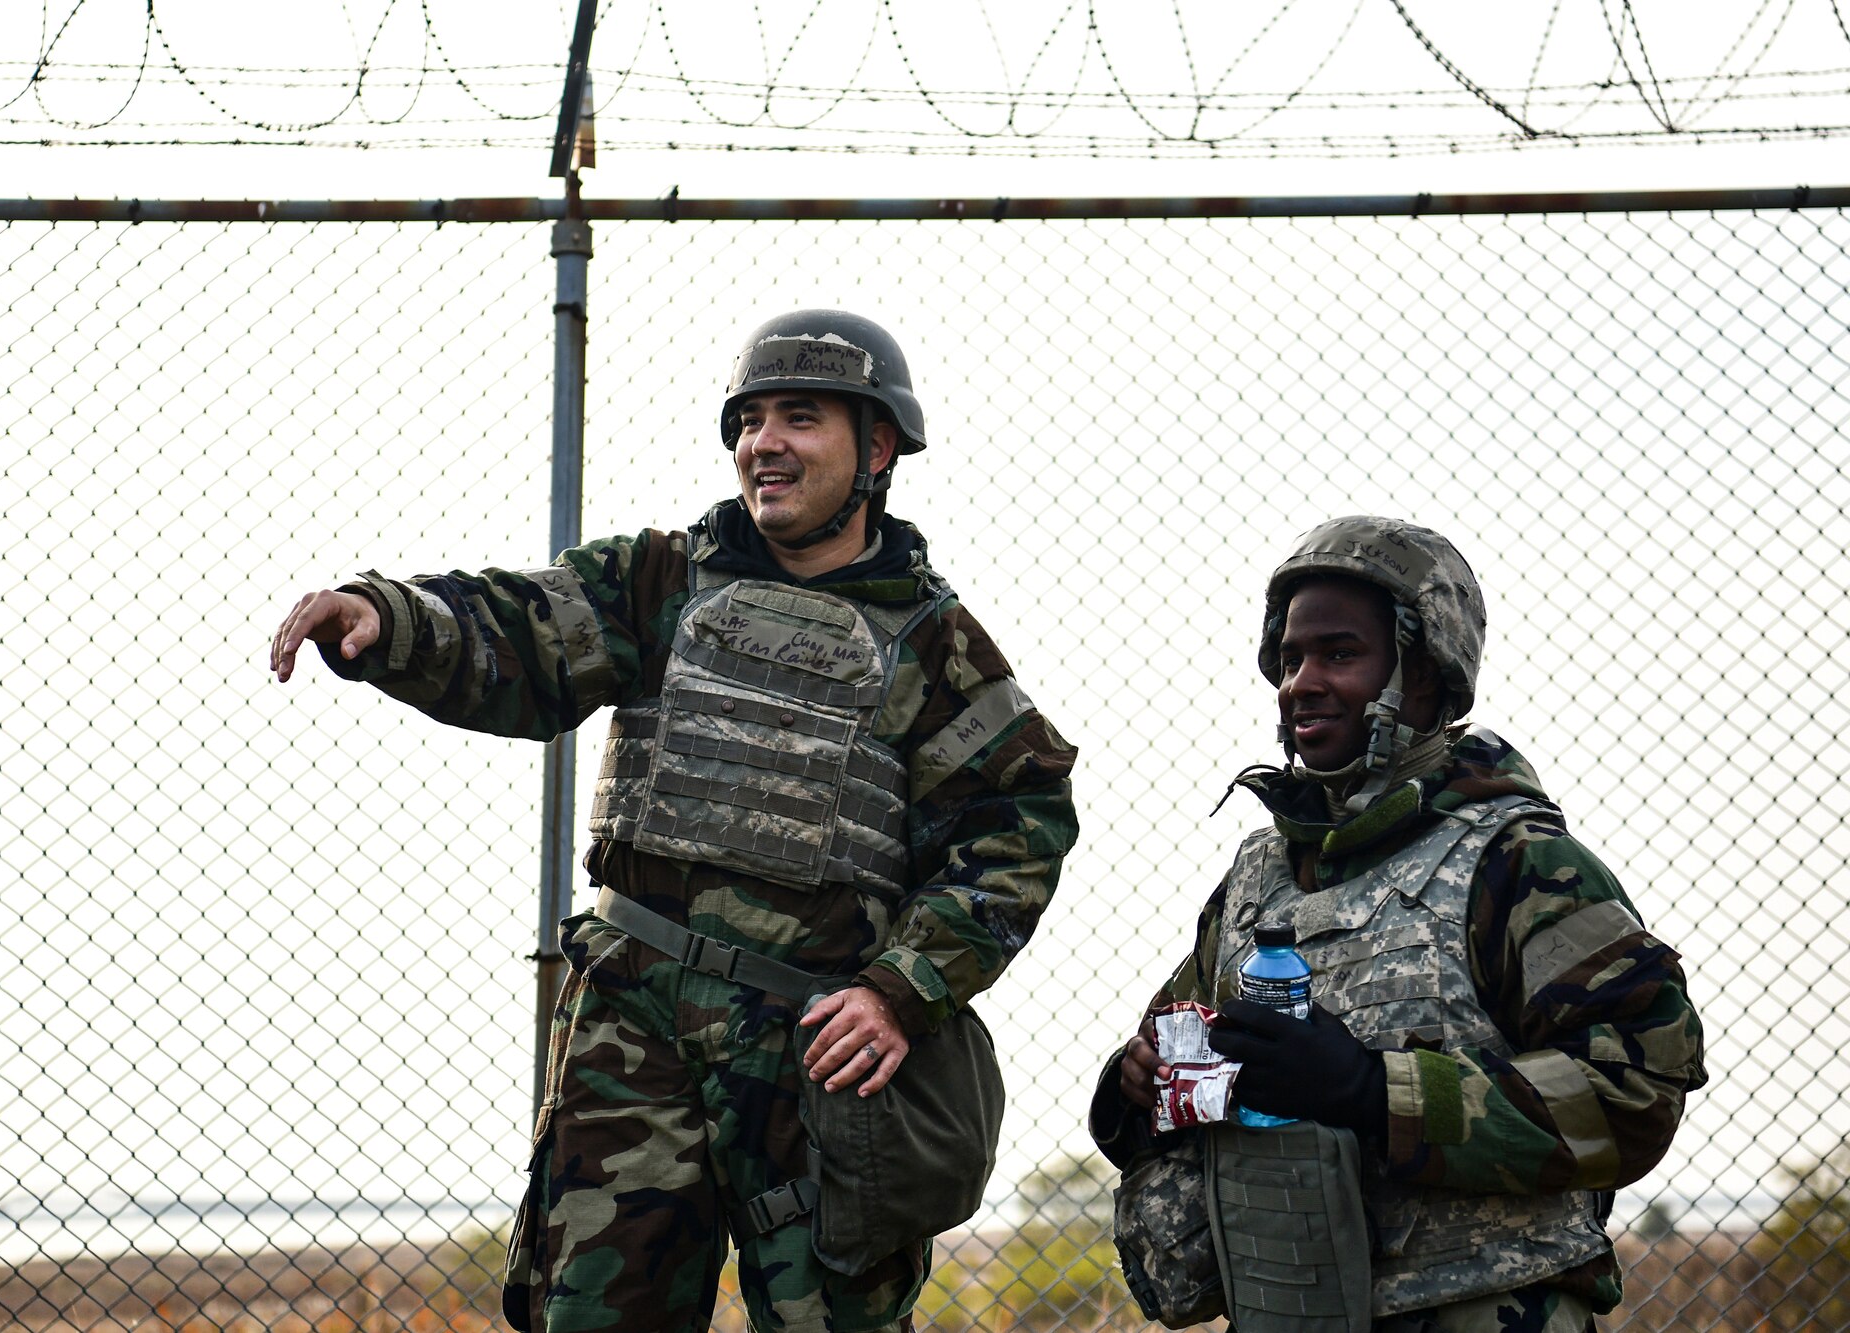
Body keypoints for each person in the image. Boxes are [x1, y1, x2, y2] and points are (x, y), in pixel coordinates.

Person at [271, 309, 1079, 1333]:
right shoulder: (661, 582)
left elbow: (1018, 820)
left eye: (800, 417)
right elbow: (522, 631)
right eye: (748, 419)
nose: (764, 443)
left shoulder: (933, 641)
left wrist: (902, 986)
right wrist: (388, 621)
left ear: (877, 448)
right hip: (632, 1029)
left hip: (816, 1056)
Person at [1090, 516, 1705, 1333]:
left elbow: (1637, 1087)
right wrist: (1138, 1085)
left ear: (1426, 671)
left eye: (1339, 654)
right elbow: (1174, 1044)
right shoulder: (1261, 878)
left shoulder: (1520, 864)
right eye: (1290, 658)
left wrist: (1375, 1091)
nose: (1301, 682)